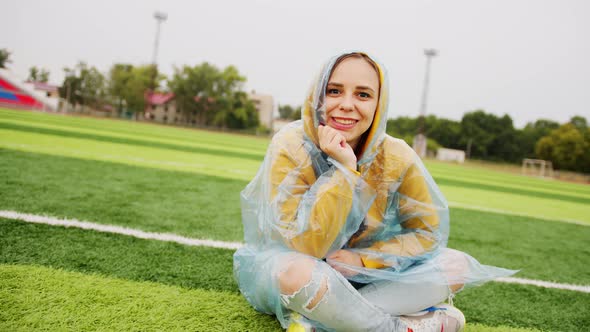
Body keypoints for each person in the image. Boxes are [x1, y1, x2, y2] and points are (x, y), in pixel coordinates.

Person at [233, 51, 516, 332]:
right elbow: (305, 245)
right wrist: (345, 171)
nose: (346, 104)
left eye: (363, 95)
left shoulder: (395, 156)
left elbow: (427, 234)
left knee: (456, 265)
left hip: (368, 277)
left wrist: (364, 260)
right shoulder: (291, 145)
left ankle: (318, 322)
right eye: (334, 91)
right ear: (317, 96)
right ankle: (395, 327)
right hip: (298, 271)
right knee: (295, 274)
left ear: (379, 104)